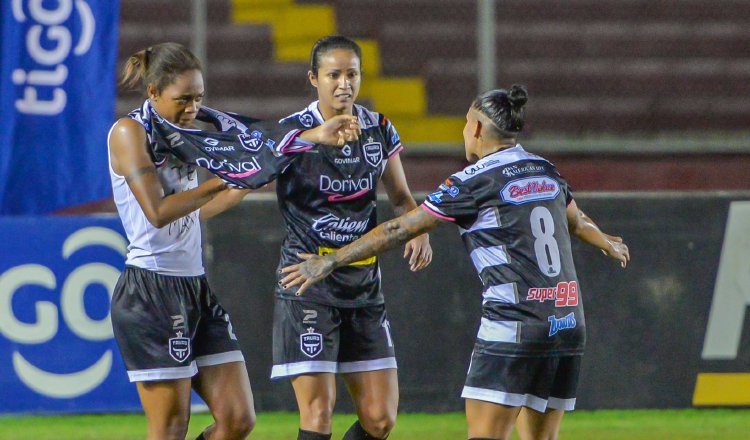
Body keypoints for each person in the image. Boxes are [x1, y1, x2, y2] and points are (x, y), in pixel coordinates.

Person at [281, 85, 631, 440]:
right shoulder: (544, 169)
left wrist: (332, 261)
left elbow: (399, 228)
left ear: (477, 128)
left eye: (465, 123)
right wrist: (607, 242)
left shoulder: (474, 181)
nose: (464, 131)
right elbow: (577, 220)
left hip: (514, 327)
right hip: (568, 322)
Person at [109, 42, 359, 440]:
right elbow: (157, 212)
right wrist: (224, 178)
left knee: (238, 420)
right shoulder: (129, 131)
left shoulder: (185, 134)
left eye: (199, 98)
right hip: (151, 291)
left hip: (195, 287)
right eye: (183, 99)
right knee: (170, 426)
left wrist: (261, 169)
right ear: (153, 92)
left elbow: (208, 201)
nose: (192, 108)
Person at [270, 35, 433, 440]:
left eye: (352, 74)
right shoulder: (293, 132)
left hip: (363, 286)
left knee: (380, 419)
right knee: (318, 412)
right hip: (308, 282)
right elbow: (255, 158)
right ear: (314, 78)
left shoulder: (378, 128)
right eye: (334, 75)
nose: (344, 83)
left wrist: (418, 228)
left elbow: (400, 197)